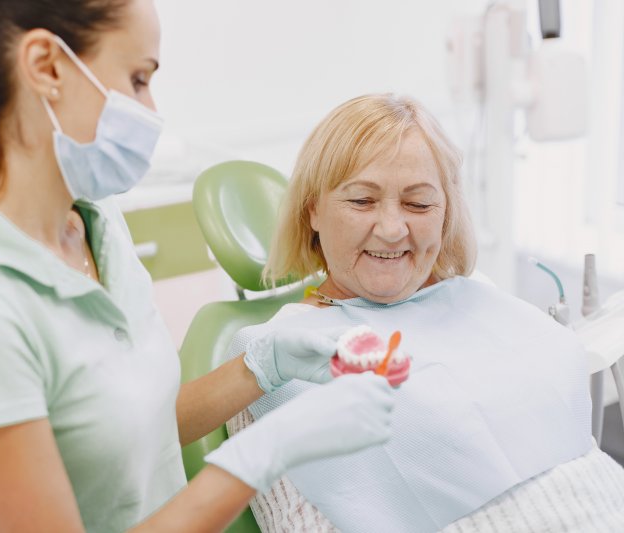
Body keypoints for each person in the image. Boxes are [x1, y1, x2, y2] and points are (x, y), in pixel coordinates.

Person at [0, 1, 399, 532]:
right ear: (46, 66)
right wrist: (266, 452)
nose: (152, 112)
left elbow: (131, 430)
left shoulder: (94, 228)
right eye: (138, 79)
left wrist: (263, 364)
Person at [224, 93, 624, 533]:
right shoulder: (273, 360)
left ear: (446, 212)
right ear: (313, 209)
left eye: (418, 204)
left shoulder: (478, 295)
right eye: (361, 201)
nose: (394, 229)